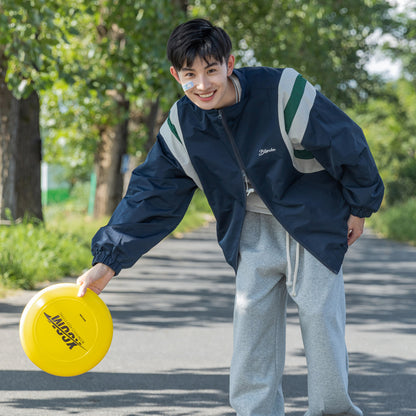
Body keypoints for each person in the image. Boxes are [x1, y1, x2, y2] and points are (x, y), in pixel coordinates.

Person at [77, 18, 384, 416]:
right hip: (250, 231)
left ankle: (333, 412)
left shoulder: (282, 91)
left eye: (211, 70)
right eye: (190, 75)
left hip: (311, 222)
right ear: (176, 75)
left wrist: (360, 206)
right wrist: (108, 262)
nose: (202, 85)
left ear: (229, 64)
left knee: (321, 323)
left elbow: (344, 140)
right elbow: (150, 195)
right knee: (251, 330)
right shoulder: (181, 127)